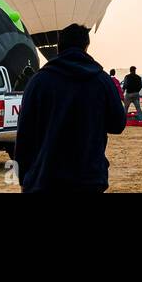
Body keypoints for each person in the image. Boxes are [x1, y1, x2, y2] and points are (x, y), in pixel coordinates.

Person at [14, 23, 126, 193]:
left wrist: (23, 177)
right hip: (88, 178)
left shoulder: (38, 81)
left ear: (59, 46)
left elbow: (24, 135)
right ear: (86, 46)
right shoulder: (102, 80)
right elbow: (117, 125)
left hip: (45, 178)